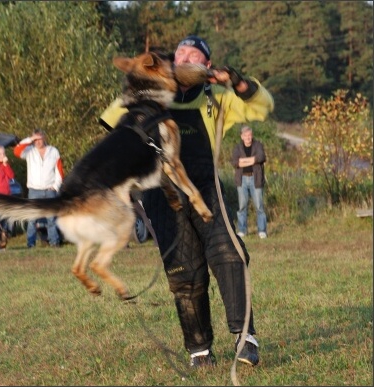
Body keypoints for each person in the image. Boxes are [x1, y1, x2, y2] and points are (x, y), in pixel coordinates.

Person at [99, 36, 274, 367]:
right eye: (179, 53)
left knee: (228, 253)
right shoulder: (145, 92)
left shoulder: (217, 96)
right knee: (184, 272)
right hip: (161, 194)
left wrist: (236, 80)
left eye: (194, 54)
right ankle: (199, 351)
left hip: (206, 187)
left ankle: (245, 338)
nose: (184, 57)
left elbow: (261, 106)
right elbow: (113, 125)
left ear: (206, 66)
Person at [13, 128, 64, 248]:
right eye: (35, 139)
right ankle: (31, 243)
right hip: (34, 191)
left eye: (39, 139)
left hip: (49, 190)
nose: (37, 142)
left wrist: (56, 186)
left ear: (44, 138)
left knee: (51, 218)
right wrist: (29, 139)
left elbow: (59, 171)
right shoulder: (29, 151)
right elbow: (16, 151)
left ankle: (54, 242)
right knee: (32, 219)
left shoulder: (53, 151)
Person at [231, 126, 267, 239]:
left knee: (259, 206)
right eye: (246, 135)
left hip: (255, 179)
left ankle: (262, 230)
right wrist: (252, 160)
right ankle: (242, 230)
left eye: (250, 135)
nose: (248, 137)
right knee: (242, 206)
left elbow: (261, 157)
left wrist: (244, 161)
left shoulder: (258, 145)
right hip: (242, 180)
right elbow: (235, 162)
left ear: (252, 135)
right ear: (242, 136)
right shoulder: (237, 148)